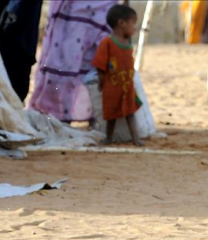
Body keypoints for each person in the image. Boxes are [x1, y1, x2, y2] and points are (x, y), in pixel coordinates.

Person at [28, 0, 118, 123]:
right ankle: (59, 114)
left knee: (96, 60)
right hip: (71, 10)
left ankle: (92, 114)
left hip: (101, 8)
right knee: (64, 59)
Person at [92, 4, 142, 145]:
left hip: (127, 85)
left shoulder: (128, 41)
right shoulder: (107, 42)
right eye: (133, 23)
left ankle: (136, 138)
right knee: (111, 113)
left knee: (130, 111)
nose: (134, 27)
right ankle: (109, 137)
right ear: (121, 23)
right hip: (112, 85)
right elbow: (100, 63)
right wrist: (101, 81)